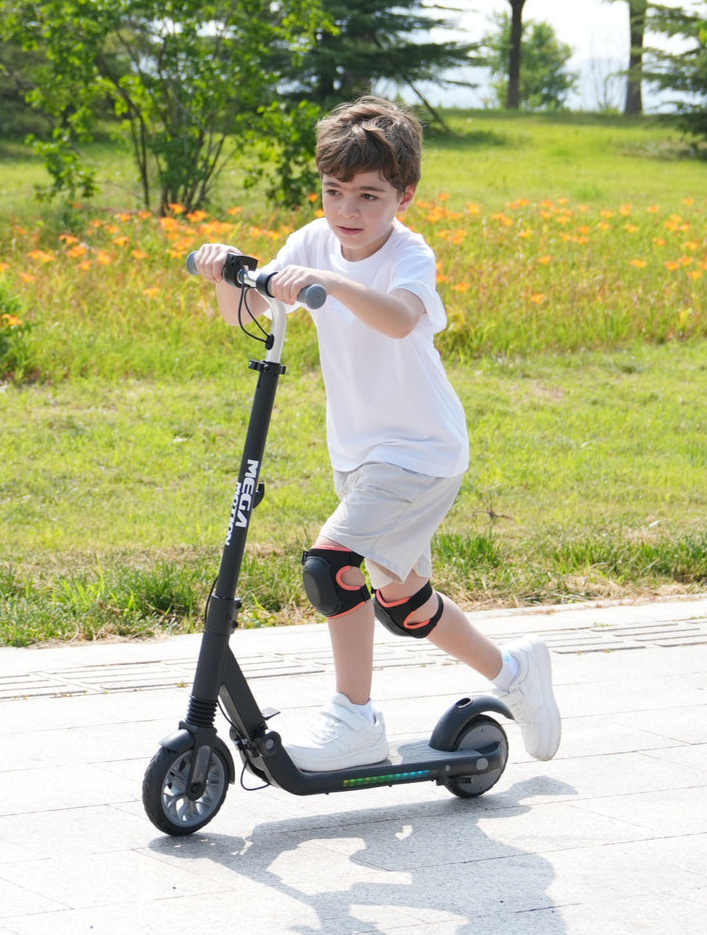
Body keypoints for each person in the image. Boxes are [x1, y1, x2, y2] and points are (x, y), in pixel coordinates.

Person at [192, 95, 560, 772]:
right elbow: (247, 307)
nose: (347, 212)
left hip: (419, 452)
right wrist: (228, 272)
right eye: (335, 192)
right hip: (361, 453)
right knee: (404, 604)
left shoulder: (408, 256)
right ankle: (514, 674)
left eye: (368, 195)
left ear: (404, 195)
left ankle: (354, 721)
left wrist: (327, 281)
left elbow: (397, 318)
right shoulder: (312, 239)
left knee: (330, 569)